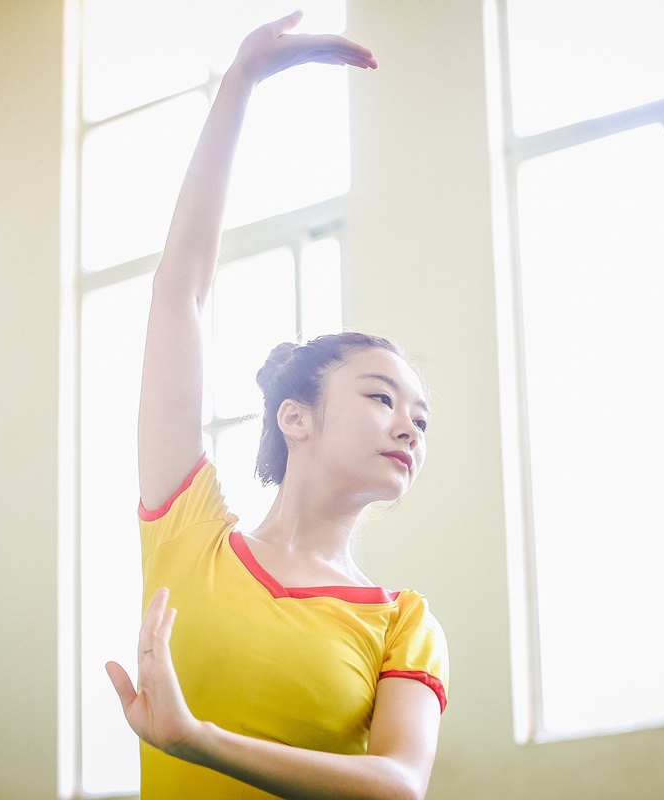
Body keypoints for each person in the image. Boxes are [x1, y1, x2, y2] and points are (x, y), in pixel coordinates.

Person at [104, 12, 449, 800]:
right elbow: (180, 291)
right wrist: (239, 85)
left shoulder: (403, 622)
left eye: (421, 419)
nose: (408, 426)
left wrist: (197, 741)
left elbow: (398, 785)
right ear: (296, 417)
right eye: (381, 397)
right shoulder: (187, 533)